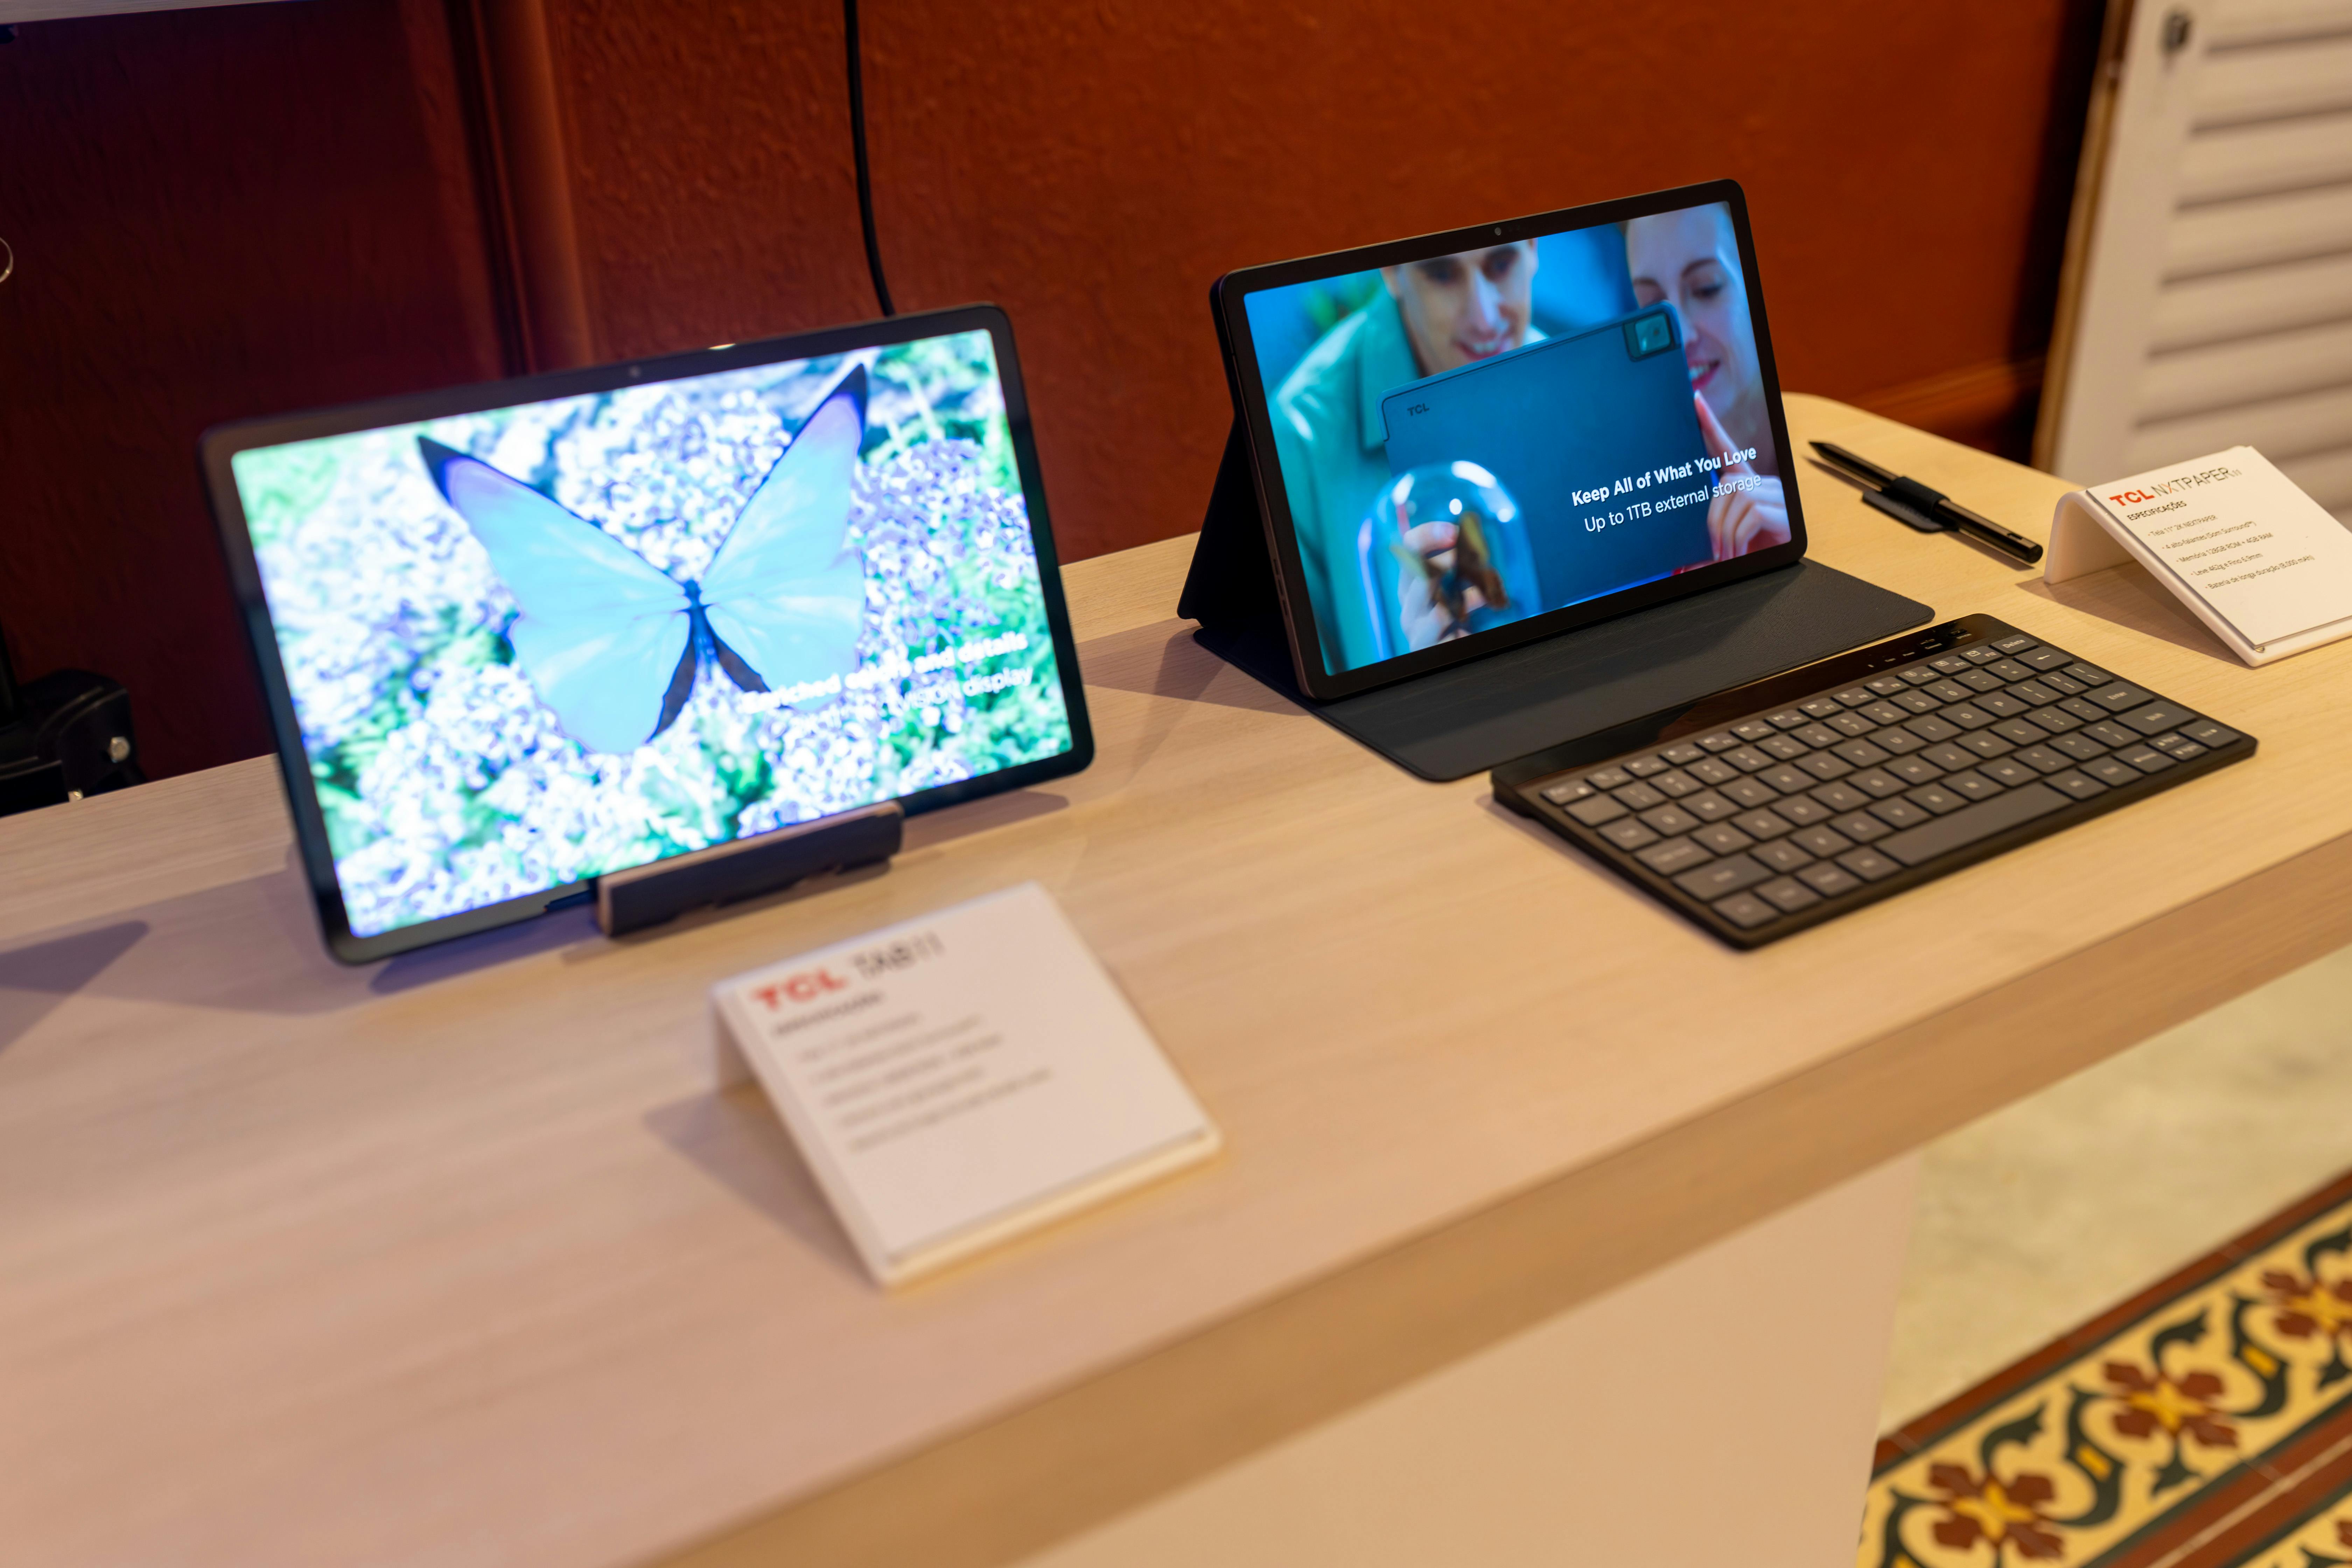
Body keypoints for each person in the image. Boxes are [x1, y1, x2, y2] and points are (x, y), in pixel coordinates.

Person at [1266, 241, 1543, 671]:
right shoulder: (1300, 439)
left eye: (1501, 264)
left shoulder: (1579, 382)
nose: (1485, 319)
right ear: (1392, 272)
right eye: (1443, 274)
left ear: (1532, 249)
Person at [1624, 204, 1791, 561]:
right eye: (1653, 306)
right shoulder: (1645, 498)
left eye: (1706, 289)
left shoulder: (1819, 447)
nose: (1679, 336)